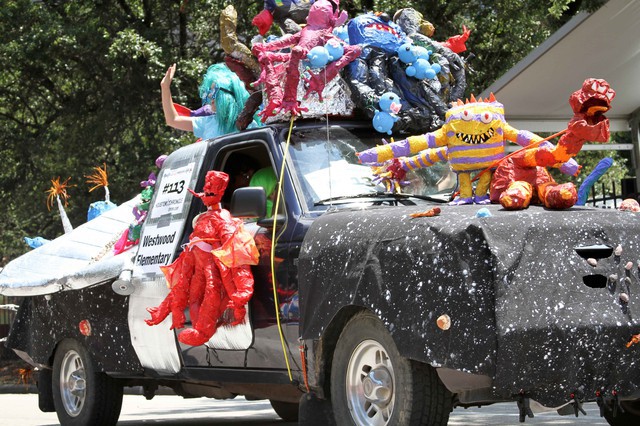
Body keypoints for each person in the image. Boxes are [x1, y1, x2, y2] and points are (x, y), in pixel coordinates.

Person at [161, 63, 256, 140]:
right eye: (209, 92)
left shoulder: (249, 124)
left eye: (214, 91)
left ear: (228, 95)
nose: (210, 95)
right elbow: (173, 120)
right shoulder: (208, 122)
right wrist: (165, 87)